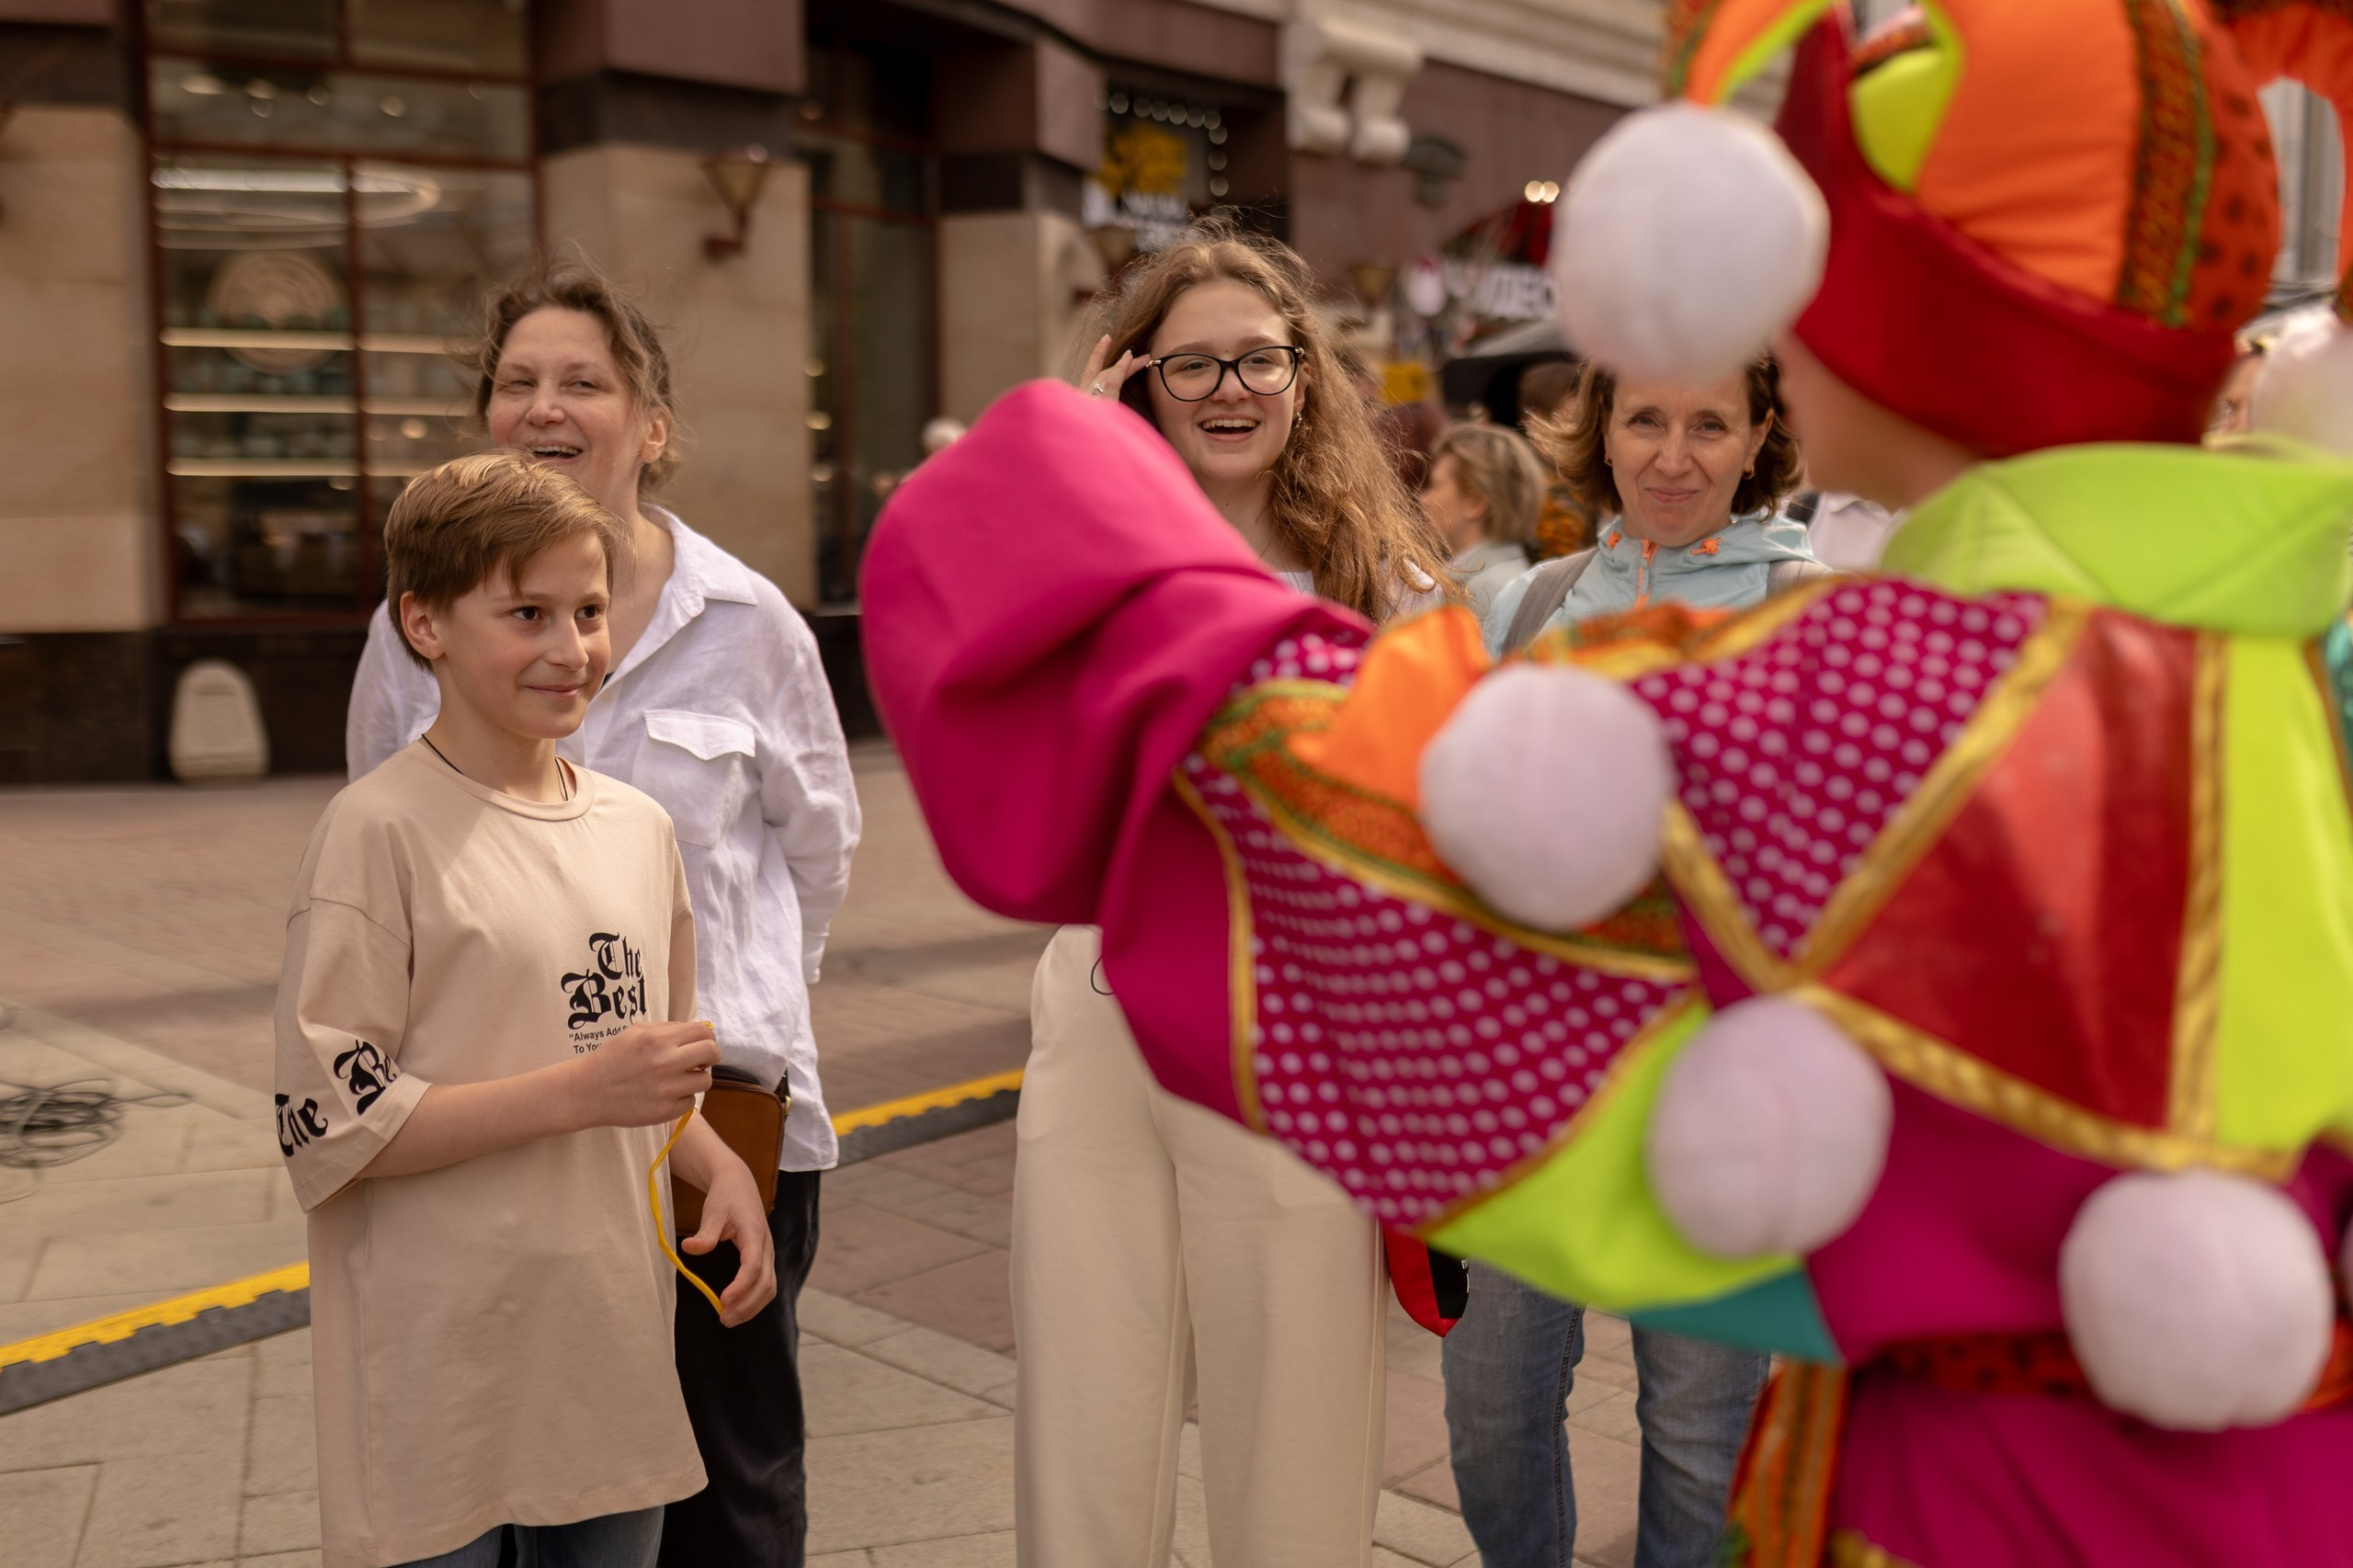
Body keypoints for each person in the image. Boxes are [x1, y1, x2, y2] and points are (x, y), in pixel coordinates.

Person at [860, 1, 2353, 1564]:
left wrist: (1063, 480)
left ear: (1922, 322)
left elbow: (1330, 793)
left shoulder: (1901, 686)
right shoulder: (2254, 637)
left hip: (1988, 1510)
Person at [344, 267, 858, 1568]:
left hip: (716, 1115)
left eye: (583, 381)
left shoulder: (749, 623)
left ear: (652, 423)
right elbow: (381, 855)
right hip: (499, 1119)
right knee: (529, 1471)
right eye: (517, 381)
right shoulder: (416, 633)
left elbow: (819, 851)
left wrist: (739, 1028)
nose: (545, 406)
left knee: (729, 1483)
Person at [974, 219, 1449, 1568]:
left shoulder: (1387, 589)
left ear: (1307, 378)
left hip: (1296, 1030)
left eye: (1260, 359)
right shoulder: (1086, 571)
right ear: (1141, 383)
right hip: (1107, 1001)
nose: (1230, 390)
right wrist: (1064, 459)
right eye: (1191, 367)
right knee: (1084, 1393)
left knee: (1296, 1412)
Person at [279, 451, 778, 1568]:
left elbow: (639, 1074)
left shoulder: (637, 829)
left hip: (603, 1340)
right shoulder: (377, 833)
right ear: (426, 623)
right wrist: (583, 1092)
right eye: (526, 612)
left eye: (590, 610)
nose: (571, 647)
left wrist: (716, 1165)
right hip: (436, 1359)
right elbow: (333, 1121)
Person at [1482, 358, 1819, 656]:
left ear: (1756, 439)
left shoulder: (1817, 615)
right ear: (1606, 429)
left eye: (1710, 426)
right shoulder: (1524, 608)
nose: (1673, 463)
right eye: (1645, 421)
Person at [1420, 422, 1544, 620]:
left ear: (1475, 503)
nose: (1423, 500)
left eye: (1436, 486)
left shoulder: (1479, 594)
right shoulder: (1512, 579)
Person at [1517, 358, 1597, 560]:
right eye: (1572, 421)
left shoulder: (1582, 471)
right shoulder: (1521, 479)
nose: (1583, 432)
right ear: (1536, 420)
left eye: (1587, 421)